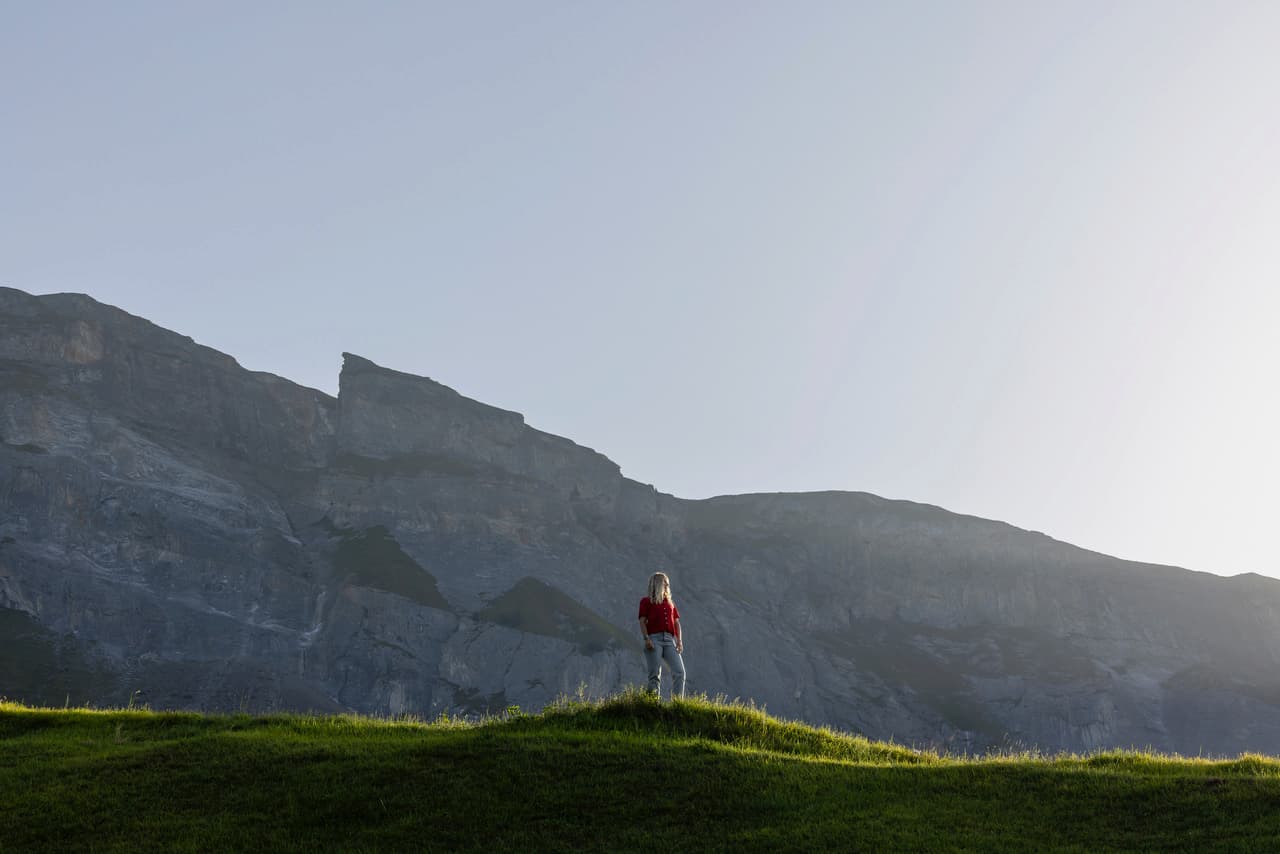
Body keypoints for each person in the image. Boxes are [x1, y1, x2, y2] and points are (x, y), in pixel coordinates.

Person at [638, 571, 685, 699]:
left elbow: (676, 623)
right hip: (654, 639)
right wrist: (646, 638)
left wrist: (679, 641)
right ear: (657, 584)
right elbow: (642, 621)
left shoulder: (670, 603)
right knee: (654, 675)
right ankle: (652, 705)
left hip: (670, 640)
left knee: (679, 672)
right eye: (665, 583)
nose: (667, 586)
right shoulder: (646, 601)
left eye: (667, 584)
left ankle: (677, 704)